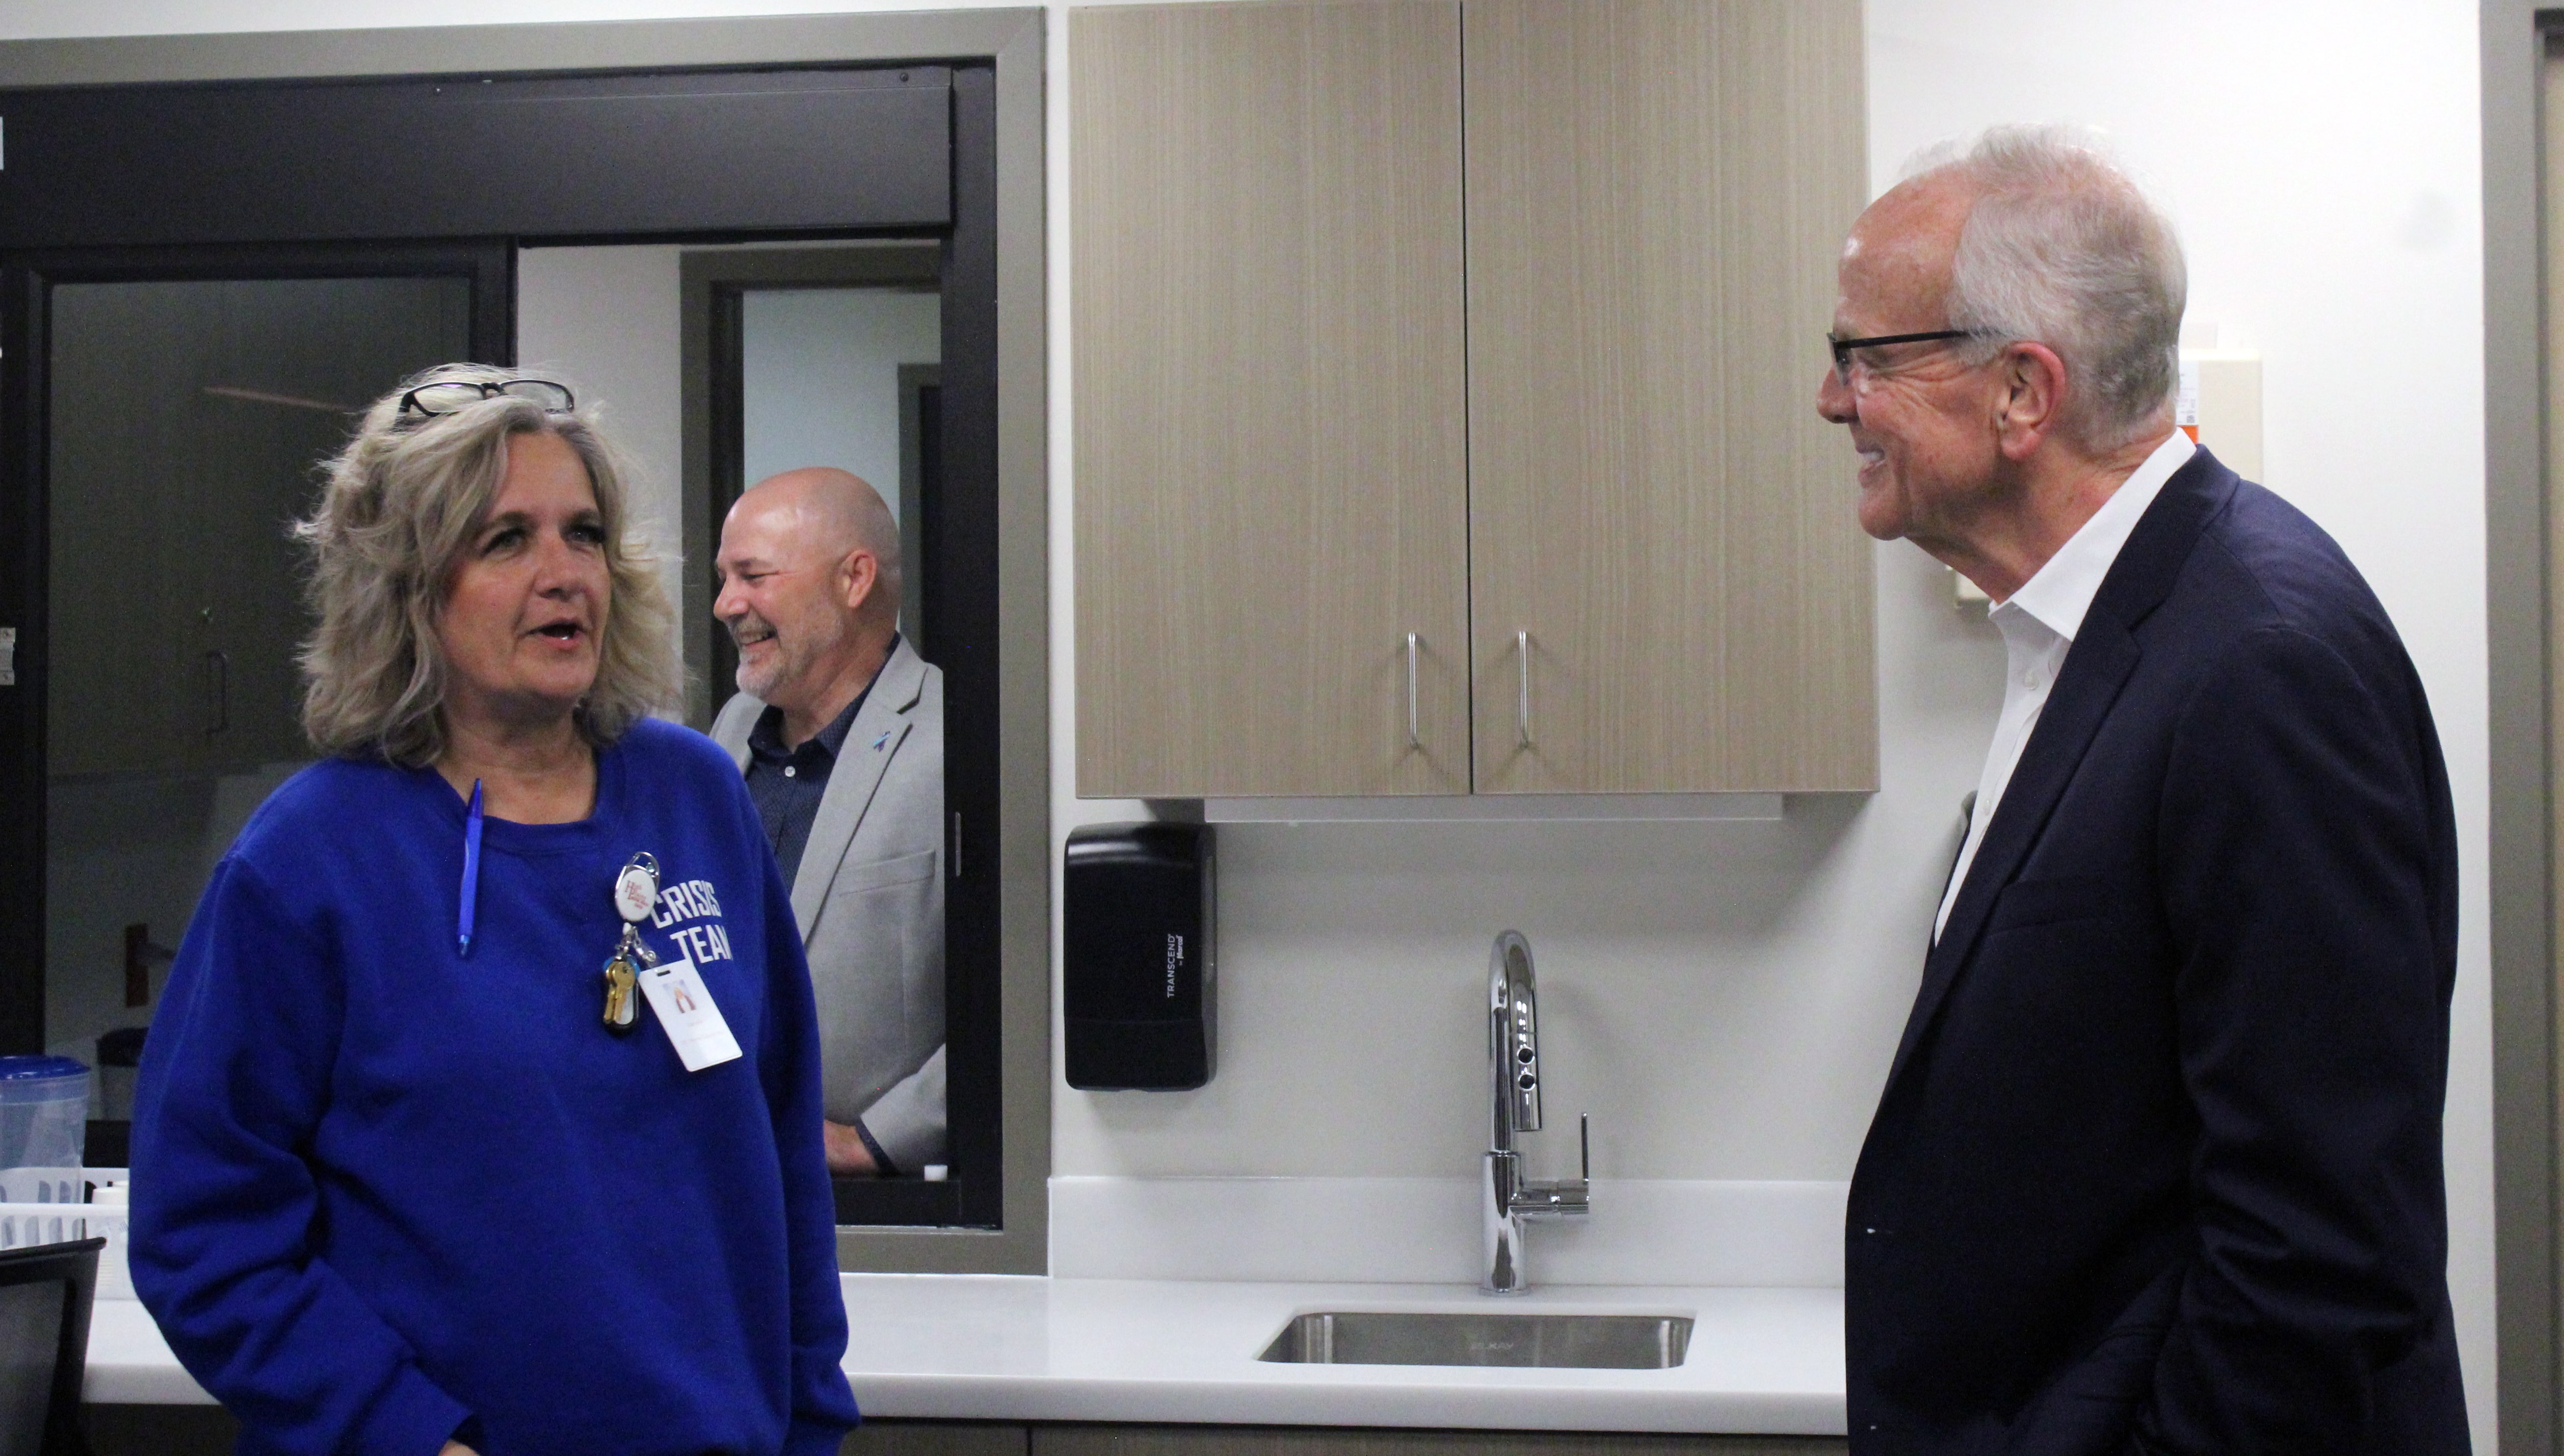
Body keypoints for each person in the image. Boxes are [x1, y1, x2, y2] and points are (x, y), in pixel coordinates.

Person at [1821, 128, 2465, 1454]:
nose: (1835, 402)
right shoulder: (2103, 631)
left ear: (2021, 393)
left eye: (1865, 359)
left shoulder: (2261, 663)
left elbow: (2318, 1259)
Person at [131, 365, 861, 1456]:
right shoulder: (311, 859)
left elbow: (780, 1145)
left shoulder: (694, 795)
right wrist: (406, 1435)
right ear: (408, 587)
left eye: (583, 535)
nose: (563, 574)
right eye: (506, 540)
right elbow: (204, 1230)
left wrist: (806, 1419)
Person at [710, 468, 945, 1178]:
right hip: (718, 1183)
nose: (726, 604)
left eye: (753, 575)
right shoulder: (729, 732)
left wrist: (877, 1139)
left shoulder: (960, 743)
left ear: (854, 579)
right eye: (725, 578)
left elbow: (1025, 1001)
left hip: (882, 1207)